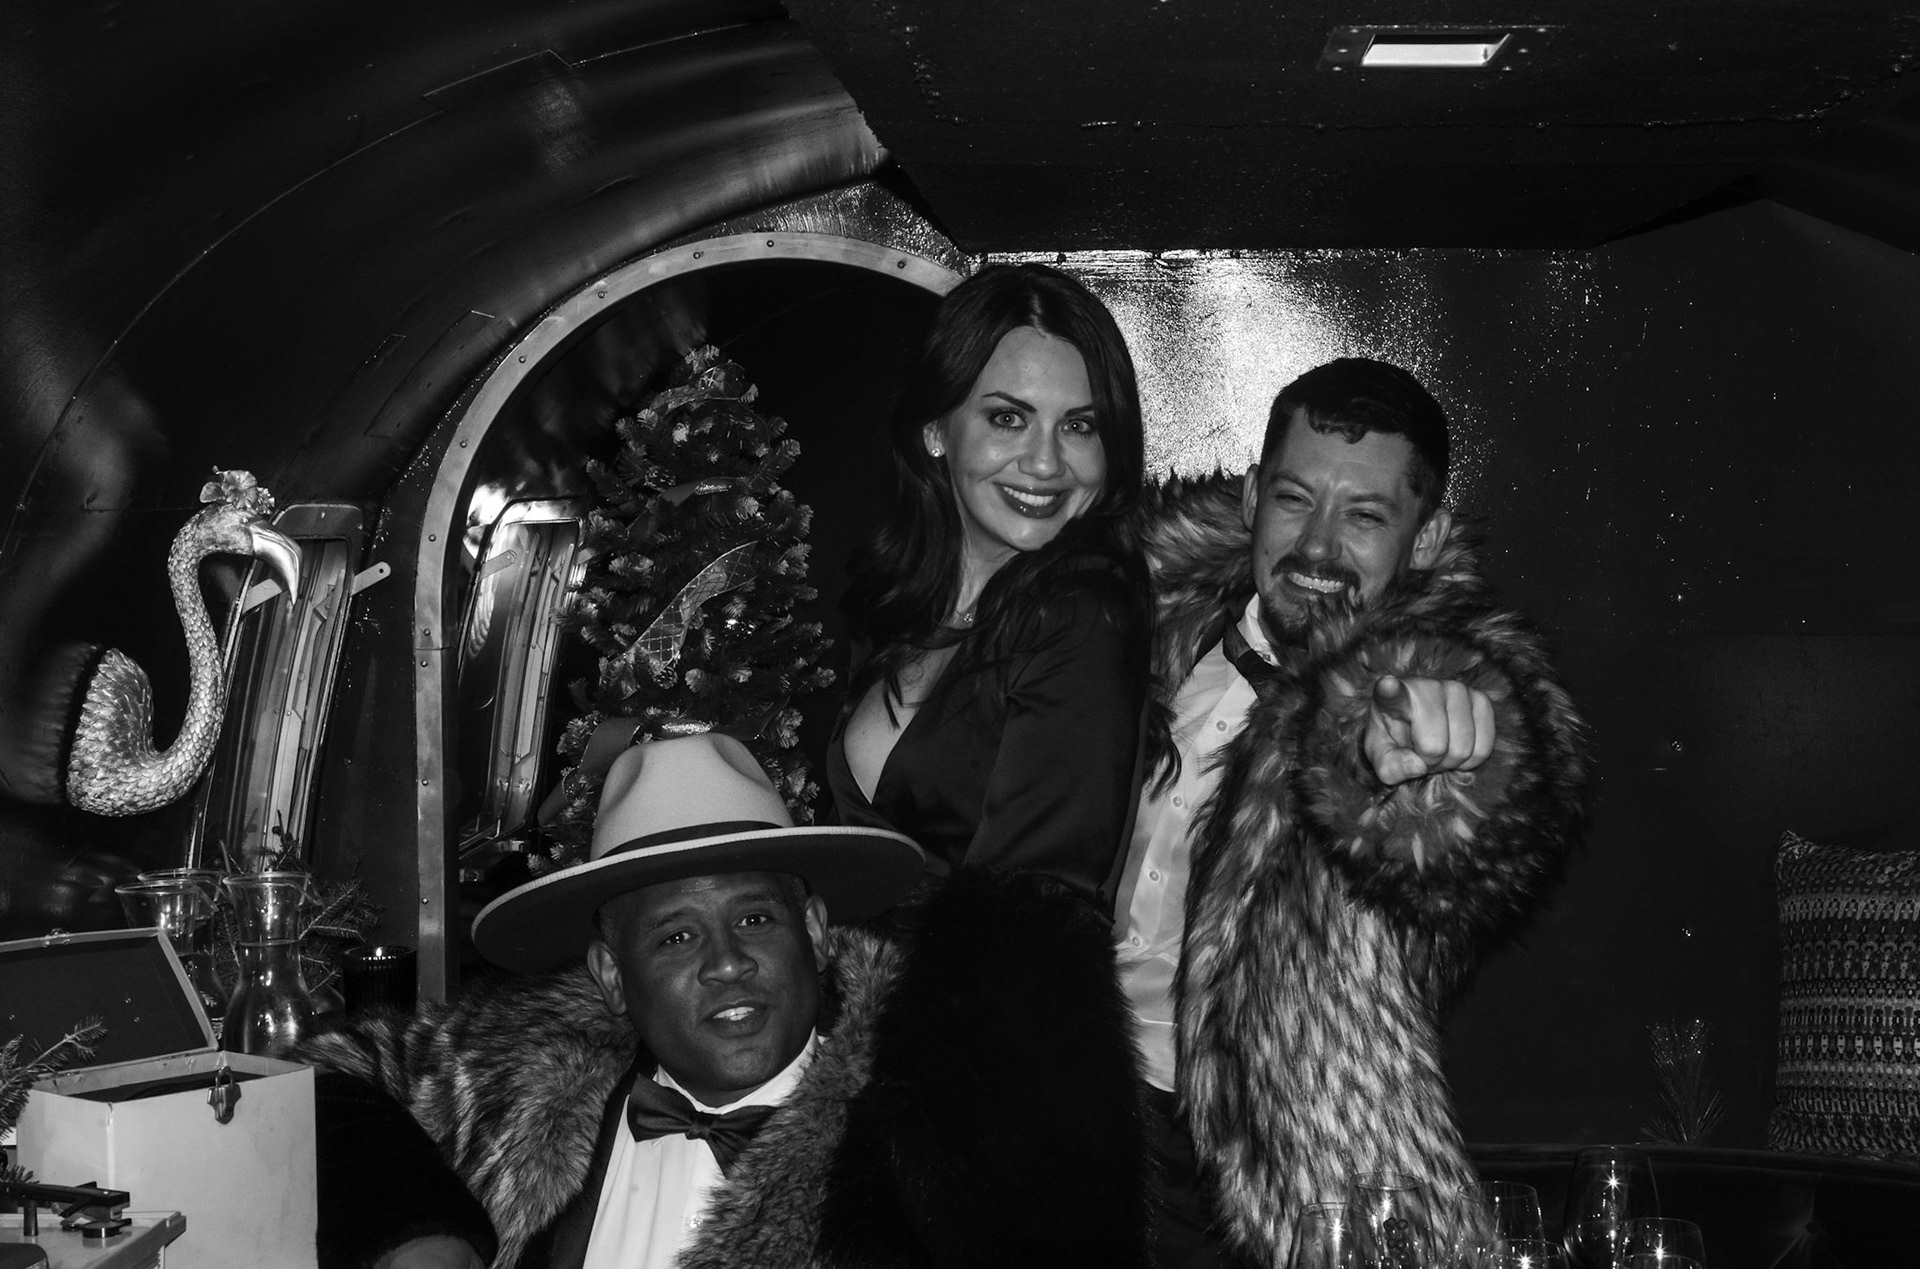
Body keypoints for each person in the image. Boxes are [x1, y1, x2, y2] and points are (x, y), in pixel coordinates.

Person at [301, 732, 1150, 1269]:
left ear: (813, 929)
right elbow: (319, 1079)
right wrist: (422, 1234)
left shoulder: (930, 1144)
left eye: (754, 918)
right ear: (610, 975)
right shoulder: (525, 1074)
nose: (728, 962)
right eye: (676, 936)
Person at [1116, 358, 1593, 1266]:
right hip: (1077, 1127)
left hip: (1281, 1182)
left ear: (1426, 537)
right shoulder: (1129, 628)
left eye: (1365, 516)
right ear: (1252, 494)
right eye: (1295, 499)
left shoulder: (1420, 687)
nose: (1318, 548)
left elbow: (1477, 836)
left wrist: (1439, 769)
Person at [831, 261, 1151, 915]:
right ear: (935, 430)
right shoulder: (898, 603)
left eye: (1079, 426)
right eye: (1009, 418)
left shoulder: (1082, 614)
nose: (1045, 463)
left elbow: (1031, 919)